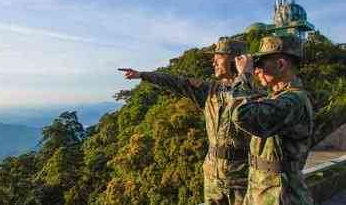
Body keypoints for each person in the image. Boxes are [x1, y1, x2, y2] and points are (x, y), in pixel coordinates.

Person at [119, 38, 261, 205]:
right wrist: (142, 75)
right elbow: (176, 82)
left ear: (236, 60)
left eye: (219, 56)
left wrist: (245, 77)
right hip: (212, 176)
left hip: (241, 179)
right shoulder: (209, 91)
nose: (213, 62)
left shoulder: (255, 95)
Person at [232, 35, 314, 205]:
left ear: (281, 65)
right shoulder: (279, 98)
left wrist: (244, 77)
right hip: (264, 190)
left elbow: (242, 115)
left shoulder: (293, 102)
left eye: (260, 64)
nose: (256, 70)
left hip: (281, 195)